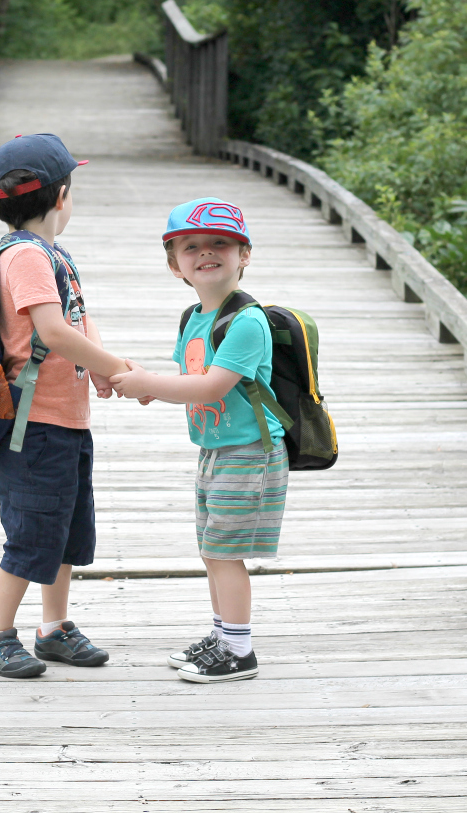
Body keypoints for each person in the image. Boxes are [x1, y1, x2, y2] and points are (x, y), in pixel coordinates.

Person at [110, 198, 288, 683]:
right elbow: (188, 378)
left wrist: (150, 385)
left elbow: (212, 386)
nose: (206, 253)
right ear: (175, 265)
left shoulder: (248, 321)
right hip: (215, 450)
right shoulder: (194, 317)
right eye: (191, 247)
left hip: (251, 452)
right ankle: (222, 635)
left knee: (226, 552)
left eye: (220, 244)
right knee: (212, 549)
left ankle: (239, 650)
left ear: (244, 254)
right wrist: (148, 386)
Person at [0, 134, 130, 679]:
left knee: (63, 529)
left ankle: (54, 627)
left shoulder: (52, 255)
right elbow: (52, 330)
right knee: (31, 533)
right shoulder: (27, 257)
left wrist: (102, 365)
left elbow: (79, 319)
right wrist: (114, 367)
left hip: (65, 419)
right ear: (61, 195)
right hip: (32, 426)